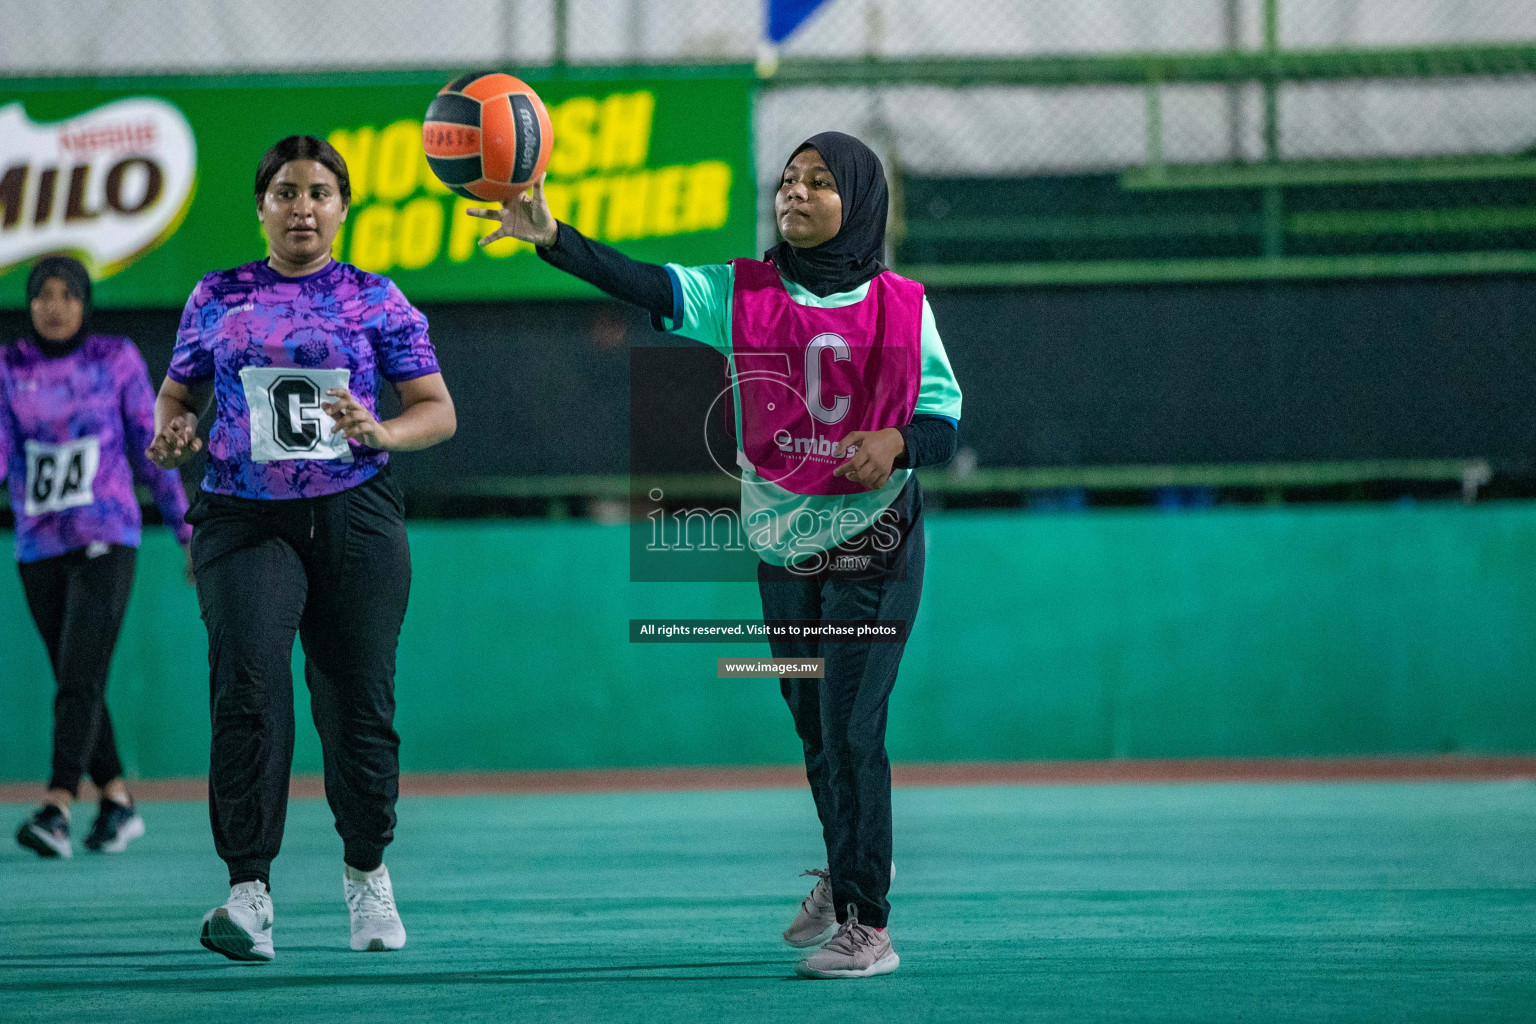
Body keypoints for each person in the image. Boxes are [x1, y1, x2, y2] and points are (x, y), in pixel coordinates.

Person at [469, 131, 962, 979]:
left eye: (818, 183)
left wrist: (899, 440)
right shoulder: (742, 292)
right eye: (789, 179)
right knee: (814, 731)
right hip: (782, 541)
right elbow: (644, 283)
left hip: (875, 537)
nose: (794, 193)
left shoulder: (903, 306)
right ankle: (852, 868)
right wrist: (554, 238)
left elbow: (946, 425)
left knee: (852, 724)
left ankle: (868, 925)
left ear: (861, 202)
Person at [145, 136, 456, 962]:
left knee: (357, 703)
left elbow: (437, 409)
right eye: (285, 192)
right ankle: (249, 893)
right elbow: (178, 394)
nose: (302, 207)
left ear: (343, 207)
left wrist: (382, 428)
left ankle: (367, 876)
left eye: (319, 192)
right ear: (261, 207)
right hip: (242, 517)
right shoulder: (217, 296)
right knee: (246, 682)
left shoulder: (376, 299)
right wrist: (173, 433)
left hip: (354, 515)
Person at [3, 255, 192, 860]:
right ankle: (117, 801)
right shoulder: (9, 366)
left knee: (80, 671)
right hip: (38, 543)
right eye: (42, 295)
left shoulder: (115, 358)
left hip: (107, 535)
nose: (54, 306)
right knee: (73, 676)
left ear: (85, 303)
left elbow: (151, 446)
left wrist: (187, 531)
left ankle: (57, 806)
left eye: (67, 294)